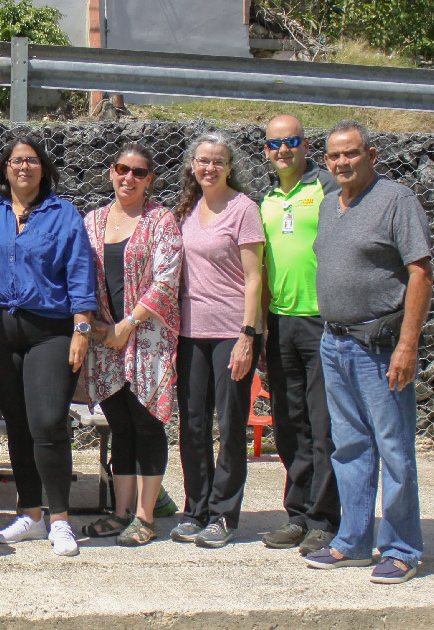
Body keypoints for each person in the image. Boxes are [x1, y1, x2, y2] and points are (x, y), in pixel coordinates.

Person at [303, 121, 432, 585]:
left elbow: (420, 273)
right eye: (334, 156)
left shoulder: (396, 200)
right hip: (334, 343)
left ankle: (401, 549)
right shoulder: (329, 204)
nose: (342, 162)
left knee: (393, 448)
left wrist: (407, 345)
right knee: (350, 446)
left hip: (379, 348)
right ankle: (354, 541)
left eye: (351, 154)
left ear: (371, 154)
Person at [0, 137, 95, 557]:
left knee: (48, 422)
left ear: (43, 168)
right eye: (16, 161)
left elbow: (79, 271)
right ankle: (31, 515)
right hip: (1, 332)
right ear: (5, 168)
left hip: (51, 331)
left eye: (32, 161)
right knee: (18, 425)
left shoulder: (64, 214)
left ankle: (60, 519)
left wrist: (81, 328)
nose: (24, 167)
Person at [81, 143, 182, 547]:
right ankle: (120, 512)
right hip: (105, 339)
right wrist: (95, 323)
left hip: (147, 337)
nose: (129, 177)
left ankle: (145, 514)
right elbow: (80, 272)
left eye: (139, 172)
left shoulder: (161, 220)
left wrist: (128, 323)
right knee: (119, 425)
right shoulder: (93, 220)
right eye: (123, 169)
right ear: (111, 172)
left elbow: (166, 278)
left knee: (146, 424)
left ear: (150, 180)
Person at [170, 131, 264, 549]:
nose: (209, 168)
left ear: (230, 167)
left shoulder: (243, 209)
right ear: (193, 165)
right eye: (203, 160)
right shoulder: (185, 210)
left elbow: (254, 277)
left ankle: (223, 514)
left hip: (231, 332)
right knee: (191, 424)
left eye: (218, 161)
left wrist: (248, 334)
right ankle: (195, 508)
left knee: (228, 424)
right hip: (190, 333)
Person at [258, 115, 343, 555]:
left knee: (322, 424)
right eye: (275, 144)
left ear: (305, 145)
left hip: (323, 322)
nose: (283, 150)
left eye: (291, 141)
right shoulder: (268, 198)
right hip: (280, 322)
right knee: (289, 424)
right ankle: (298, 515)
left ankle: (325, 519)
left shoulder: (327, 189)